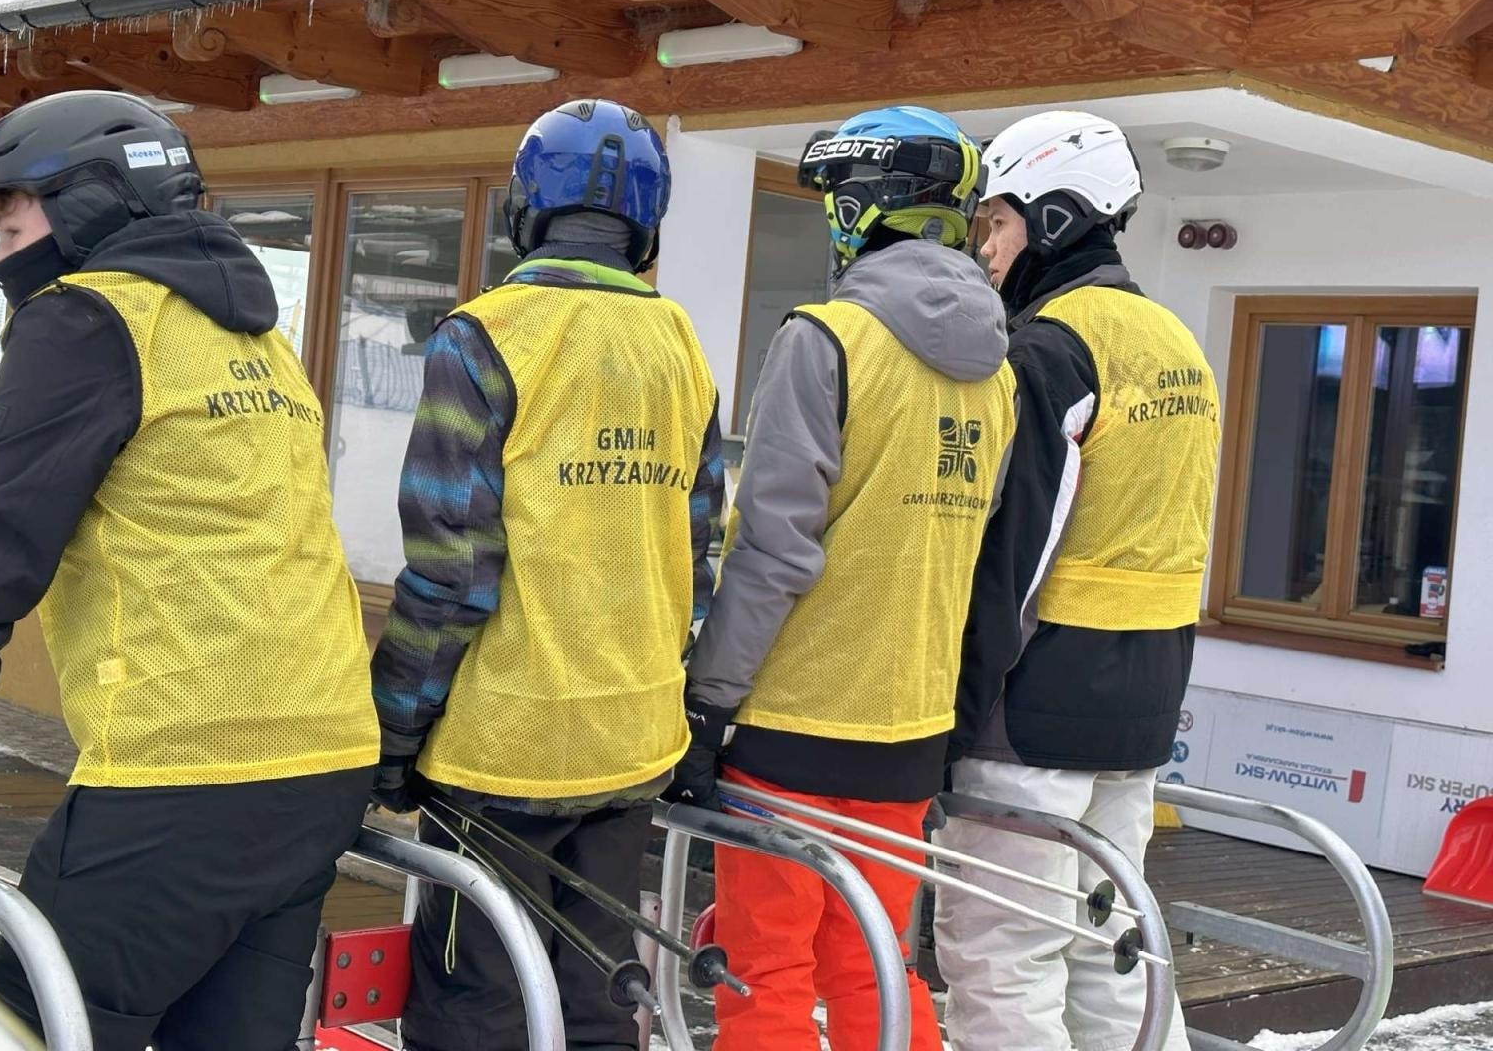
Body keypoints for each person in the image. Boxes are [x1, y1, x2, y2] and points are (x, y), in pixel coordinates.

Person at [0, 91, 379, 1049]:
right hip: (319, 769)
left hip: (181, 779)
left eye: (11, 224)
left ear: (86, 207)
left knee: (18, 1032)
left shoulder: (86, 318)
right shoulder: (255, 340)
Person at [370, 98, 725, 1051]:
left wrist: (394, 730)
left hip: (504, 747)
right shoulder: (683, 347)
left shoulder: (483, 336)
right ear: (644, 221)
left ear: (527, 206)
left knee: (474, 1001)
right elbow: (697, 557)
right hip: (632, 737)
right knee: (599, 995)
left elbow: (451, 569)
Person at [672, 106, 1016, 1051]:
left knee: (764, 966)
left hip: (796, 720)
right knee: (871, 958)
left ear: (863, 209)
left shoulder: (824, 339)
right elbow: (980, 552)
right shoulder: (1001, 371)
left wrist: (708, 701)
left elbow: (774, 547)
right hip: (910, 718)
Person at [932, 109, 1220, 1051]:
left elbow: (1018, 549)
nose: (986, 249)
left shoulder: (1051, 348)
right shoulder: (1176, 342)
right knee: (1109, 940)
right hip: (1143, 701)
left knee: (1000, 951)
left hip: (1038, 704)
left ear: (1055, 219)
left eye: (998, 223)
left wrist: (959, 706)